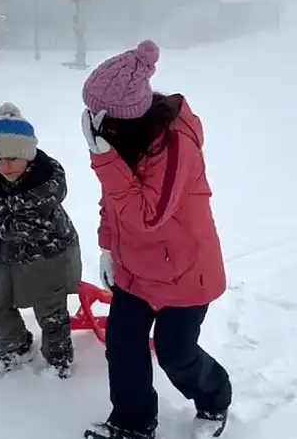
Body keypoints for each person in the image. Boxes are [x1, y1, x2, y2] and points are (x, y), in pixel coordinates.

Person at [79, 40, 233, 438]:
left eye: (101, 115)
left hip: (185, 273)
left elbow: (148, 214)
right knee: (124, 344)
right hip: (136, 268)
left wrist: (104, 159)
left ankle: (215, 399)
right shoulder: (122, 140)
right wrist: (108, 246)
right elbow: (113, 201)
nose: (94, 121)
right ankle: (132, 424)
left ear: (125, 116)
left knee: (175, 353)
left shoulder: (176, 145)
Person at [0, 102, 82, 379]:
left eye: (11, 159)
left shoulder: (44, 188)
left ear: (28, 156)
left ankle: (59, 362)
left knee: (50, 312)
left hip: (48, 256)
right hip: (10, 254)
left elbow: (9, 227)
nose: (4, 167)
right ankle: (16, 346)